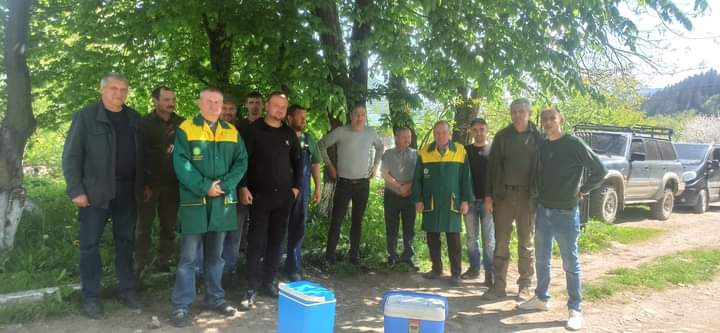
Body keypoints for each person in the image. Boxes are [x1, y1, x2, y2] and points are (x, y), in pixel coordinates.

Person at [62, 73, 144, 318]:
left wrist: (144, 184)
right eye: (113, 88)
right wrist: (75, 189)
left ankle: (127, 290)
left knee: (126, 242)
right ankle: (91, 297)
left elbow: (141, 156)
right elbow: (71, 156)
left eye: (123, 89)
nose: (119, 93)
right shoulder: (86, 117)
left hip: (127, 191)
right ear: (102, 91)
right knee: (89, 245)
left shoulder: (134, 118)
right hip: (94, 192)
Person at [518, 108, 607, 331]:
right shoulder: (544, 145)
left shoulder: (574, 144)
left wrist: (582, 190)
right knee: (541, 259)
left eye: (552, 119)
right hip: (543, 211)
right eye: (544, 119)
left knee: (570, 263)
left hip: (566, 213)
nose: (548, 122)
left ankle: (575, 309)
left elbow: (600, 170)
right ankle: (541, 298)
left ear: (561, 121)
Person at [170, 87, 248, 327]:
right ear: (199, 104)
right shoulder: (187, 128)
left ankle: (215, 298)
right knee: (189, 258)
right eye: (209, 102)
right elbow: (180, 163)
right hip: (196, 201)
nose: (214, 106)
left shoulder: (231, 131)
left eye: (218, 102)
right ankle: (182, 305)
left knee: (217, 257)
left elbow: (241, 161)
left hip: (222, 203)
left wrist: (225, 185)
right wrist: (205, 186)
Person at [239, 92, 302, 309]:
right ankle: (251, 286)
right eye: (276, 106)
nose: (280, 110)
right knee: (256, 242)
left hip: (283, 197)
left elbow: (297, 161)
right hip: (259, 196)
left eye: (283, 107)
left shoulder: (289, 133)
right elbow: (243, 161)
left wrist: (296, 188)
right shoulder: (253, 130)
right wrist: (243, 186)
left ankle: (269, 281)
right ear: (267, 106)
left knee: (277, 241)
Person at [482, 98, 543, 301]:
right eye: (514, 112)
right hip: (504, 196)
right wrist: (489, 196)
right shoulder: (502, 136)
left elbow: (545, 168)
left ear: (529, 113)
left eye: (521, 111)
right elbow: (491, 169)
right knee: (501, 243)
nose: (517, 115)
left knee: (526, 243)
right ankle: (498, 286)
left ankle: (524, 286)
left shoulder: (538, 138)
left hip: (527, 197)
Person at [319, 104, 384, 265]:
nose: (359, 117)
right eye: (356, 114)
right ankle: (330, 256)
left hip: (363, 184)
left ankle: (354, 255)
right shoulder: (341, 131)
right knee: (337, 220)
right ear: (350, 115)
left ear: (366, 116)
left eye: (362, 114)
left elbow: (380, 147)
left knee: (357, 220)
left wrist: (376, 166)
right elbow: (321, 145)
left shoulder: (371, 132)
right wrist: (329, 165)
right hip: (344, 183)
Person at [412, 121, 473, 286]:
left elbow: (466, 179)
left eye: (444, 133)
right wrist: (417, 199)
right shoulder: (424, 152)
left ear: (449, 133)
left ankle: (456, 274)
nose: (440, 136)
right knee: (432, 236)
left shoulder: (460, 151)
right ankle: (436, 268)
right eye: (437, 133)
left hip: (452, 201)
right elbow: (417, 180)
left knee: (453, 238)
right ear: (434, 134)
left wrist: (466, 200)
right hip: (430, 201)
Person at [135, 86, 185, 275]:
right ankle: (139, 263)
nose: (171, 103)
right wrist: (143, 184)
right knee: (143, 227)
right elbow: (138, 156)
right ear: (155, 101)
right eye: (166, 100)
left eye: (173, 99)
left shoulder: (182, 124)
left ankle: (164, 260)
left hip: (173, 185)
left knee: (169, 226)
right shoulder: (143, 124)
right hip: (150, 185)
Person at [283, 105, 322, 282]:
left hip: (303, 189)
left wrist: (318, 188)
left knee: (298, 228)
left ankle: (293, 268)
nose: (303, 120)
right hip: (281, 189)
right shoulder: (280, 135)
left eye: (305, 117)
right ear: (289, 118)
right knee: (277, 229)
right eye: (300, 117)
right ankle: (271, 267)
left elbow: (315, 164)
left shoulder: (308, 139)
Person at [218, 93, 250, 284]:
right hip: (214, 189)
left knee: (235, 231)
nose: (228, 112)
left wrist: (243, 186)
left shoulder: (243, 130)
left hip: (238, 188)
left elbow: (246, 161)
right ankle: (210, 271)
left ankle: (230, 269)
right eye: (225, 108)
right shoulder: (208, 128)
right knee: (215, 233)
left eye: (231, 108)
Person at [462, 118, 495, 285]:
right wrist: (464, 199)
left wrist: (494, 198)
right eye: (475, 130)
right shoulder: (465, 151)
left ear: (487, 130)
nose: (479, 133)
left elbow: (498, 176)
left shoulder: (494, 150)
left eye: (482, 129)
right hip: (470, 201)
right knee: (471, 238)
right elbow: (461, 177)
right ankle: (474, 268)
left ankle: (490, 272)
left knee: (489, 239)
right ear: (471, 132)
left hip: (488, 201)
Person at [381, 127, 418, 269]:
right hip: (392, 194)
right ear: (397, 137)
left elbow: (418, 175)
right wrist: (399, 187)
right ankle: (392, 256)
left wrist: (407, 187)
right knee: (391, 226)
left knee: (409, 226)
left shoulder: (416, 154)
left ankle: (408, 256)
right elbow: (384, 173)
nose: (407, 139)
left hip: (409, 195)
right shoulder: (388, 154)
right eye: (404, 137)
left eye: (409, 137)